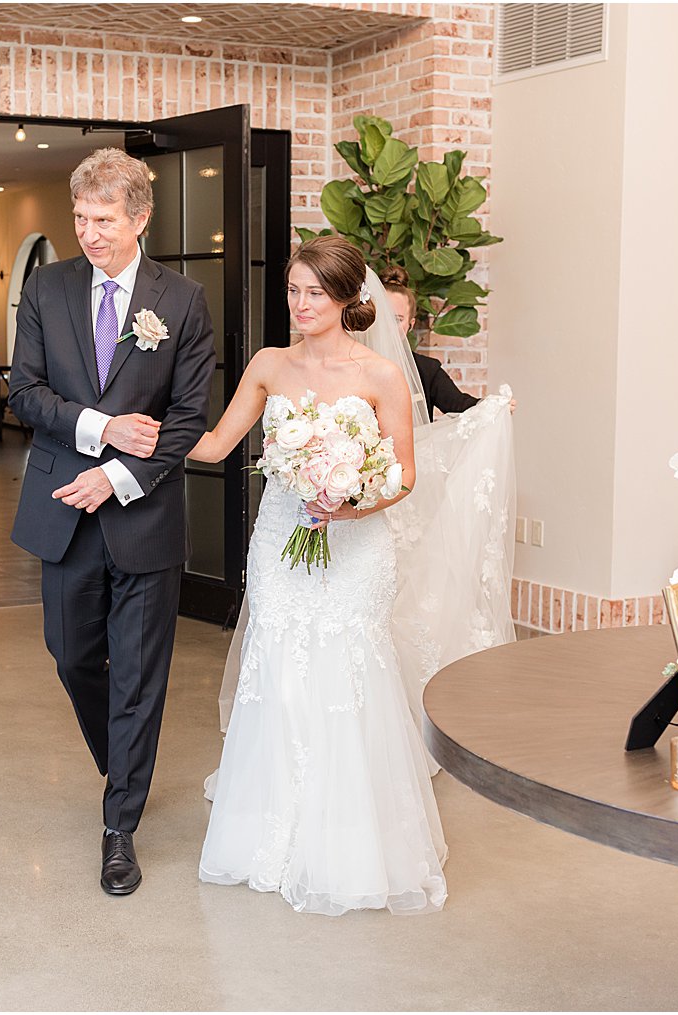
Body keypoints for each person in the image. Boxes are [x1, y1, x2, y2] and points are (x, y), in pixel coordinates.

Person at [189, 236, 453, 915]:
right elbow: (218, 443)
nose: (301, 304)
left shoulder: (381, 376)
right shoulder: (270, 364)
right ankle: (270, 832)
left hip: (356, 546)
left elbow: (403, 475)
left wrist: (348, 499)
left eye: (315, 292)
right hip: (281, 541)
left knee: (345, 671)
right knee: (277, 665)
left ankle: (346, 840)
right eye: (293, 290)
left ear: (345, 300)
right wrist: (144, 431)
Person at [7, 148, 215, 896]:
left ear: (140, 218)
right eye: (81, 218)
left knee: (138, 676)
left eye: (103, 220)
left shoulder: (183, 300)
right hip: (63, 507)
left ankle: (118, 823)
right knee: (70, 656)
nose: (89, 233)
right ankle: (123, 758)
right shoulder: (46, 287)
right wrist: (99, 430)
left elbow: (189, 420)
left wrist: (119, 476)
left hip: (144, 515)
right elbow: (24, 393)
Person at [380, 266, 515, 416]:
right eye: (381, 316)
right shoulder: (354, 362)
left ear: (410, 325)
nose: (387, 326)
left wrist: (494, 406)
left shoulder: (427, 369)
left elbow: (459, 404)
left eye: (396, 319)